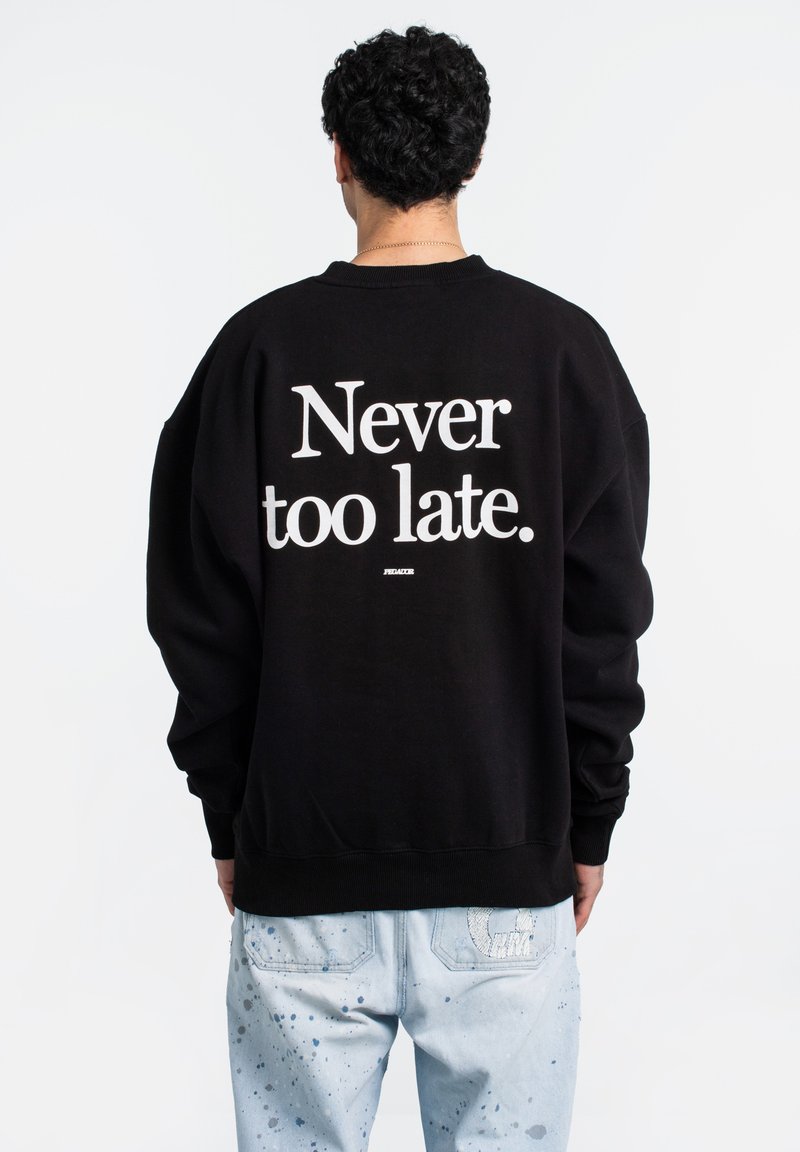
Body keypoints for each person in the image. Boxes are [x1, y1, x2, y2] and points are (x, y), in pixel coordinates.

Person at [146, 23, 654, 1152]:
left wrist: (230, 815)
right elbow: (602, 621)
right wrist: (590, 817)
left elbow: (197, 615)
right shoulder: (560, 352)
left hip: (300, 869)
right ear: (473, 157)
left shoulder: (256, 353)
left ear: (338, 154)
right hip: (504, 868)